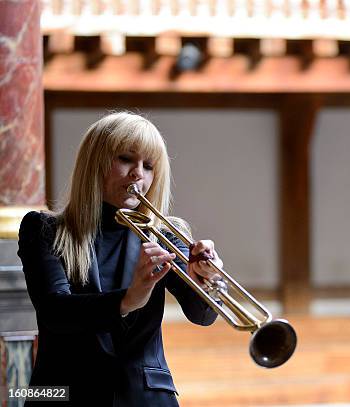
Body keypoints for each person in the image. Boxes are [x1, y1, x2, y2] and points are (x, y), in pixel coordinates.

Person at [18, 112, 222, 406]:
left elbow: (202, 316)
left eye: (149, 166)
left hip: (146, 396)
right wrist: (127, 300)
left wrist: (208, 279)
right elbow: (55, 312)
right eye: (127, 159)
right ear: (95, 163)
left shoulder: (163, 235)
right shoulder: (44, 229)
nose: (139, 174)